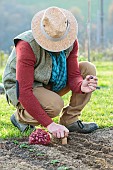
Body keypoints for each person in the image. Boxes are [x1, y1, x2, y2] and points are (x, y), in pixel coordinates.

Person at [3, 6, 98, 139]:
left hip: (49, 80)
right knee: (54, 106)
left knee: (88, 68)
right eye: (53, 42)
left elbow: (74, 75)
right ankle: (20, 117)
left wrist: (81, 85)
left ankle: (70, 120)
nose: (59, 46)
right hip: (22, 86)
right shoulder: (27, 45)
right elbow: (24, 92)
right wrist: (50, 125)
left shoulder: (70, 40)